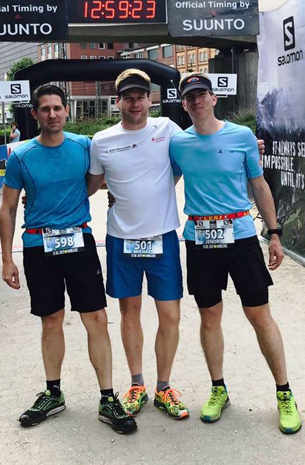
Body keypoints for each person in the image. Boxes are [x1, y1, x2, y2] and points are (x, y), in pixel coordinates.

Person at [0, 84, 137, 435]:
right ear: (34, 114)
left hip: (79, 241)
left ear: (67, 110)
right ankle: (53, 392)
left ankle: (107, 396)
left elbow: (99, 179)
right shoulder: (20, 156)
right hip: (37, 246)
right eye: (45, 109)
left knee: (96, 317)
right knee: (50, 321)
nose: (52, 114)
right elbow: (8, 207)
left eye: (58, 108)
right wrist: (6, 259)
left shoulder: (83, 146)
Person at [169, 73, 302, 435]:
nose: (196, 101)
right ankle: (218, 389)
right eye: (189, 97)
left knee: (259, 315)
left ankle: (285, 393)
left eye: (202, 95)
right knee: (209, 316)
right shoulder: (178, 143)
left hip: (240, 236)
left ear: (214, 99)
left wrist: (274, 234)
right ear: (184, 104)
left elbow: (259, 185)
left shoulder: (241, 137)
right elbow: (157, 180)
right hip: (199, 237)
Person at [87, 69, 189, 420]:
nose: (135, 103)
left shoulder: (168, 130)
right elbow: (91, 183)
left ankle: (164, 387)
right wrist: (37, 196)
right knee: (129, 314)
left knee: (170, 315)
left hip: (163, 236)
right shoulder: (101, 141)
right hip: (121, 240)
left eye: (140, 96)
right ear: (118, 101)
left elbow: (194, 156)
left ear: (150, 99)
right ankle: (136, 384)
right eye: (128, 97)